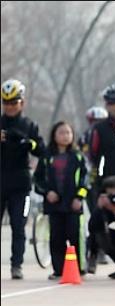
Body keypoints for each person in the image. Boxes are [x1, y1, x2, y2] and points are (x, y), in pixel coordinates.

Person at [1, 79, 46, 280]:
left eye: (14, 103)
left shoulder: (29, 125)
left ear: (22, 103)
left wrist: (27, 143)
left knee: (19, 225)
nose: (10, 107)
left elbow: (42, 150)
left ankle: (16, 265)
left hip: (20, 183)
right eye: (6, 103)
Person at [34, 121, 88, 279]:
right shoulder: (46, 157)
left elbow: (86, 180)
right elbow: (37, 180)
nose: (65, 136)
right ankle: (58, 269)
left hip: (73, 205)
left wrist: (79, 197)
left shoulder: (78, 157)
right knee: (56, 237)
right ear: (54, 135)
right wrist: (47, 192)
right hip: (54, 205)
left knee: (75, 236)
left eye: (68, 133)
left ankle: (80, 268)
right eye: (61, 133)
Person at [82, 106, 109, 273]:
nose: (96, 124)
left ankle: (103, 249)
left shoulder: (106, 133)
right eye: (94, 121)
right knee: (95, 216)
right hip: (90, 181)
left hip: (106, 179)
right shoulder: (84, 137)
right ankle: (96, 251)